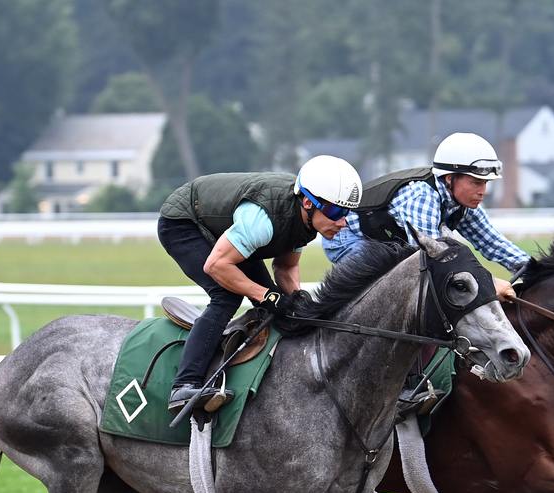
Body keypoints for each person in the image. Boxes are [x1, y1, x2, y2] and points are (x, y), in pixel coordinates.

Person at [158, 155, 363, 411]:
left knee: (280, 306)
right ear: (309, 202)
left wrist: (297, 304)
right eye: (336, 211)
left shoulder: (306, 220)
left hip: (226, 231)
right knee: (226, 296)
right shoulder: (264, 222)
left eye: (347, 213)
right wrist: (265, 294)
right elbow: (215, 266)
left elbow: (286, 267)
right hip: (185, 223)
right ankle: (184, 385)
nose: (343, 222)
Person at [322, 132, 529, 300]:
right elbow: (434, 260)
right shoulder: (423, 196)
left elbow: (493, 242)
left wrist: (536, 269)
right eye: (476, 182)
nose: (483, 191)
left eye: (485, 183)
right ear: (450, 178)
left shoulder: (464, 202)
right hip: (347, 236)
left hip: (385, 242)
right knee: (395, 291)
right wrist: (490, 283)